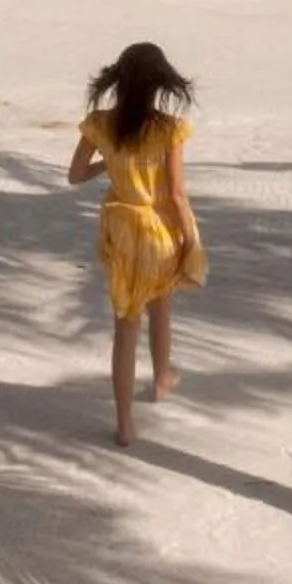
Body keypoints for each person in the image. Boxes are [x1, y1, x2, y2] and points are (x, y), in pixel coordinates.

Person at [66, 43, 204, 447]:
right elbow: (177, 194)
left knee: (126, 324)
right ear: (160, 83)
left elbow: (75, 175)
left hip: (120, 228)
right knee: (161, 303)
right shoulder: (169, 128)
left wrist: (110, 164)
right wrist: (191, 238)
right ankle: (161, 380)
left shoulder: (99, 123)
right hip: (157, 227)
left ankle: (125, 424)